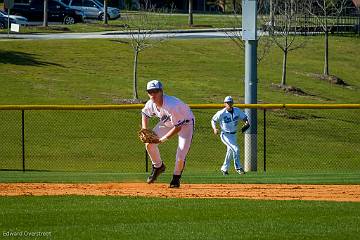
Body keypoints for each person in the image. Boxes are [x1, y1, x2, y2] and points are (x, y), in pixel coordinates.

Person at [141, 80, 195, 188]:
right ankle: (158, 166)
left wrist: (162, 139)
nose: (153, 94)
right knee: (149, 143)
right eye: (150, 92)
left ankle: (176, 178)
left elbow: (178, 127)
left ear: (161, 91)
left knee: (180, 155)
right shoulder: (151, 103)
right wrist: (145, 130)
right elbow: (144, 114)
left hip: (185, 124)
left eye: (155, 91)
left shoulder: (172, 105)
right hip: (167, 123)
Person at [211, 96, 249, 175]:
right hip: (225, 135)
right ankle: (238, 168)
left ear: (232, 103)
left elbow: (245, 117)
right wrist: (214, 129)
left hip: (234, 135)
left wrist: (246, 122)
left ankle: (224, 169)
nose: (229, 104)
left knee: (230, 152)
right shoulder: (221, 113)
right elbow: (213, 120)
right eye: (227, 102)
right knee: (236, 149)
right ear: (224, 104)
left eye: (230, 102)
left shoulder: (237, 110)